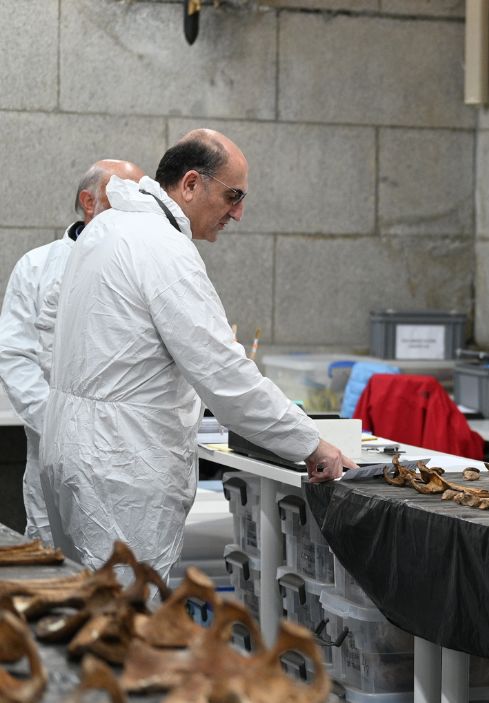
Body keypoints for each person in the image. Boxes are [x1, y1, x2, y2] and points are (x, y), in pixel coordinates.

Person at [40, 129, 355, 579]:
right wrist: (310, 443)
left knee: (90, 617)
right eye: (233, 195)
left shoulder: (107, 229)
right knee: (130, 621)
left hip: (73, 451)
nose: (239, 213)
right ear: (190, 184)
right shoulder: (162, 248)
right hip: (120, 464)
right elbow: (224, 375)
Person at [0, 160, 144, 544]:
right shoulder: (37, 266)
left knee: (122, 575)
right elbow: (15, 356)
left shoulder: (144, 265)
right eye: (122, 199)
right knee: (57, 567)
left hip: (127, 460)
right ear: (89, 201)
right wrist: (60, 427)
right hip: (53, 452)